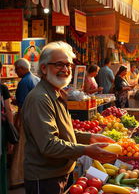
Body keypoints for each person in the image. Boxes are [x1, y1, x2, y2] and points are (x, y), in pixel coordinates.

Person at [22, 41, 117, 193]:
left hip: (57, 173)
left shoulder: (56, 93)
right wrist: (86, 150)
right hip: (44, 177)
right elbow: (48, 144)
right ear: (44, 68)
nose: (65, 69)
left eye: (68, 65)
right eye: (59, 64)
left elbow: (63, 131)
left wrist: (90, 137)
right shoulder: (40, 98)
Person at [10, 58, 40, 187]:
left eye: (16, 69)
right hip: (36, 118)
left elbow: (22, 106)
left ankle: (18, 177)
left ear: (22, 69)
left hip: (26, 118)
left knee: (21, 149)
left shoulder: (23, 82)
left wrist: (17, 122)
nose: (16, 72)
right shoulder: (36, 79)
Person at [0, 61, 14, 194]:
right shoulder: (2, 88)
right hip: (1, 131)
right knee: (1, 164)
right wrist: (11, 135)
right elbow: (8, 110)